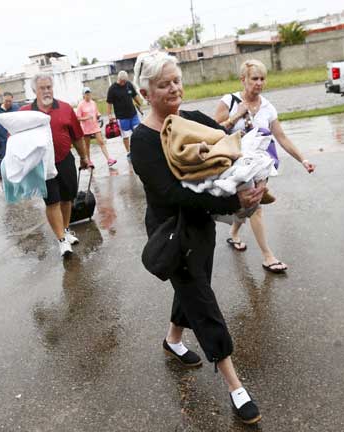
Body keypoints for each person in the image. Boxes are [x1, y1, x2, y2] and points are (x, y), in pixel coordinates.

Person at [130, 51, 265, 425]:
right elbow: (173, 194)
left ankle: (173, 340)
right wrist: (230, 197)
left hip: (201, 224)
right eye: (163, 84)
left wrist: (254, 174)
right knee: (202, 301)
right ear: (146, 92)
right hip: (172, 231)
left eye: (176, 80)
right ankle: (236, 387)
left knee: (193, 287)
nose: (174, 88)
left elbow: (226, 142)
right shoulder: (142, 141)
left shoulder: (189, 119)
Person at [214, 59, 315, 273]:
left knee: (250, 206)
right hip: (235, 166)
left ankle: (233, 234)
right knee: (255, 208)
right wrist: (235, 117)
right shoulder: (228, 101)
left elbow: (282, 138)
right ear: (243, 80)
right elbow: (213, 132)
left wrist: (303, 159)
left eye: (262, 78)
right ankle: (268, 256)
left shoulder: (268, 108)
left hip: (259, 167)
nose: (259, 83)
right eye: (254, 78)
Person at [20, 73, 88, 258]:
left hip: (65, 159)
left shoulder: (65, 108)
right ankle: (61, 241)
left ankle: (65, 230)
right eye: (42, 88)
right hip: (42, 165)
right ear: (34, 90)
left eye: (49, 87)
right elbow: (16, 141)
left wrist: (84, 157)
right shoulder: (26, 112)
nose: (46, 91)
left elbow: (77, 136)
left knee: (67, 199)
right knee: (52, 201)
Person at [76, 87, 117, 168]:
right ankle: (89, 161)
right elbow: (78, 118)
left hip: (95, 126)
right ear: (83, 95)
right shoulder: (80, 105)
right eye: (86, 94)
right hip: (86, 129)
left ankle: (109, 159)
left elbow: (96, 112)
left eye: (89, 93)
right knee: (87, 146)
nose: (88, 95)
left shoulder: (93, 103)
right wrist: (86, 118)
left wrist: (98, 115)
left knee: (101, 142)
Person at [106, 70, 144, 159]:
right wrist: (109, 115)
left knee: (138, 132)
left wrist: (140, 106)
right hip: (122, 117)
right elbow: (109, 103)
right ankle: (129, 152)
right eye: (122, 81)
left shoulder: (128, 85)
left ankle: (139, 149)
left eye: (125, 81)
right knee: (126, 136)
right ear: (119, 79)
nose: (124, 83)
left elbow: (135, 96)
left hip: (133, 114)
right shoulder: (112, 89)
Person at [0, 92, 19, 179]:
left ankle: (12, 178)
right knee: (1, 160)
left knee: (13, 160)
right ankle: (1, 177)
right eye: (6, 101)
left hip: (12, 139)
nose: (8, 103)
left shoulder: (16, 108)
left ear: (12, 100)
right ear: (2, 100)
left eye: (10, 101)